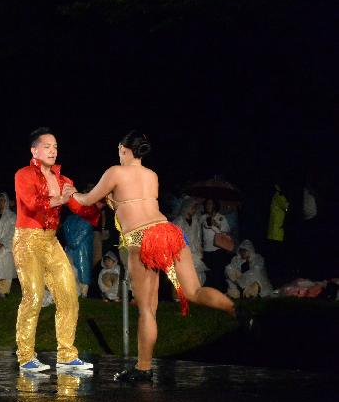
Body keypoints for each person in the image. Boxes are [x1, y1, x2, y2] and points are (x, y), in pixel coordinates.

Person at [72, 131, 236, 382]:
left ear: (123, 148)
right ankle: (236, 311)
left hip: (142, 239)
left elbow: (86, 200)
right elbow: (134, 204)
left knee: (147, 310)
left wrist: (67, 193)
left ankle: (144, 369)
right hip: (168, 232)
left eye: (119, 148)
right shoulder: (151, 175)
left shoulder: (115, 171)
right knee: (194, 292)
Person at [13, 128, 97, 373]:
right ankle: (26, 356)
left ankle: (67, 355)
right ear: (34, 150)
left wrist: (102, 199)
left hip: (50, 241)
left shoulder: (63, 180)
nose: (53, 150)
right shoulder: (24, 174)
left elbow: (80, 206)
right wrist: (61, 199)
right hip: (27, 239)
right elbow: (31, 204)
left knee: (69, 294)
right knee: (34, 297)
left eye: (56, 147)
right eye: (47, 146)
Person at [172, 197, 207, 285]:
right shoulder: (178, 221)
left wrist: (200, 249)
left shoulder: (196, 221)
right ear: (187, 207)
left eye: (195, 208)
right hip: (183, 252)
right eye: (193, 207)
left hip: (195, 252)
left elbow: (198, 237)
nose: (194, 210)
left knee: (197, 272)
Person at [200, 199, 231, 290]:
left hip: (218, 248)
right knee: (208, 273)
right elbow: (205, 225)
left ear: (214, 205)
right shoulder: (203, 217)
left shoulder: (221, 217)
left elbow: (226, 230)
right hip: (206, 249)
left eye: (210, 203)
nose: (208, 206)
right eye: (207, 204)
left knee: (218, 272)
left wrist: (217, 225)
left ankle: (220, 292)